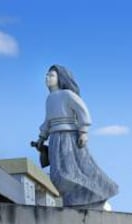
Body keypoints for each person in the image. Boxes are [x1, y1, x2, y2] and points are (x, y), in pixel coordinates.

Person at [34, 64, 118, 207]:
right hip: (55, 139)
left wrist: (83, 131)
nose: (47, 78)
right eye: (46, 75)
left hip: (69, 137)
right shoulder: (50, 99)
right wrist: (42, 138)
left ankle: (94, 194)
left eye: (51, 75)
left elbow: (82, 111)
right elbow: (48, 120)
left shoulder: (67, 94)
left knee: (72, 170)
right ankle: (72, 200)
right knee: (58, 175)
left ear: (60, 78)